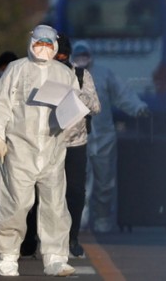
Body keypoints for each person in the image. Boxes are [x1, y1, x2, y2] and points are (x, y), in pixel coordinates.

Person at [0, 25, 78, 277]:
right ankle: (7, 255)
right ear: (31, 42)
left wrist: (69, 124)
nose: (43, 48)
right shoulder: (16, 69)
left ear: (56, 46)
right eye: (39, 43)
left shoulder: (65, 74)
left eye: (48, 44)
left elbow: (74, 106)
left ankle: (56, 257)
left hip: (52, 150)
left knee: (55, 206)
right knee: (15, 204)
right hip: (19, 150)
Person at [71, 41, 149, 234]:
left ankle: (103, 217)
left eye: (85, 55)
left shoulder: (105, 74)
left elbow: (123, 95)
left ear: (91, 56)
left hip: (104, 138)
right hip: (77, 136)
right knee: (80, 180)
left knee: (105, 182)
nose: (82, 60)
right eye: (78, 56)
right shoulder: (67, 75)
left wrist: (138, 108)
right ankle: (81, 217)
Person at [54, 35, 101, 258]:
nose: (59, 60)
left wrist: (74, 92)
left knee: (75, 192)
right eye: (56, 56)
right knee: (45, 193)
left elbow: (95, 106)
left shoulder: (82, 75)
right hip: (47, 142)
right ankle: (38, 238)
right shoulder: (36, 74)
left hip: (76, 143)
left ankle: (72, 237)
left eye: (63, 57)